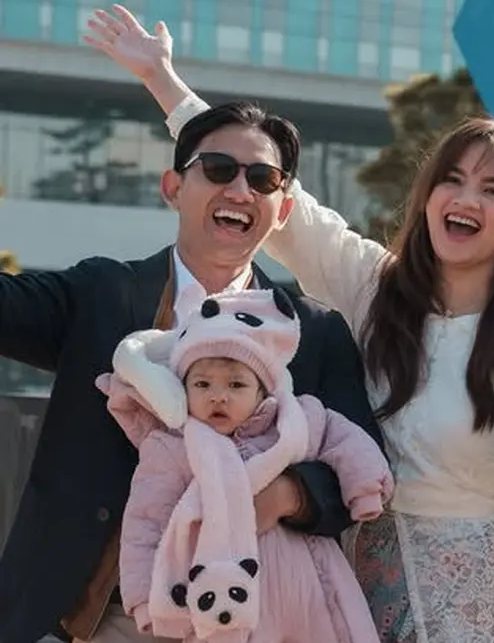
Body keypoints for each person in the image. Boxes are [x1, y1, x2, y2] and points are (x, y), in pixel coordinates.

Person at [94, 4, 494, 641]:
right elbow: (282, 197)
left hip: (470, 608)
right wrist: (164, 82)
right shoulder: (376, 288)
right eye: (453, 179)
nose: (467, 199)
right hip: (342, 587)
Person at [0, 94, 380, 640]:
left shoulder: (315, 331)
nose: (239, 190)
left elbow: (357, 463)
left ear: (284, 210)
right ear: (174, 188)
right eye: (219, 169)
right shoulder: (102, 292)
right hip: (92, 614)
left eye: (263, 179)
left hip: (248, 614)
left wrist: (283, 497)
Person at [99, 289, 392, 642]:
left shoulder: (294, 421)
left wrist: (364, 490)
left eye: (236, 384)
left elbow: (347, 441)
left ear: (261, 391)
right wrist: (147, 600)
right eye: (202, 384)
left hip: (313, 585)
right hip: (229, 598)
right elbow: (145, 523)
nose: (218, 395)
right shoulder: (172, 448)